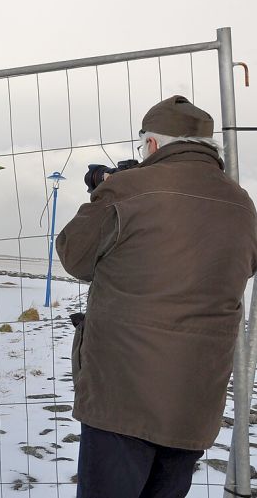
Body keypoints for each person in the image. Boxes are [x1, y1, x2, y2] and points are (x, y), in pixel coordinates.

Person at [56, 95, 257, 497]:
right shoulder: (242, 204)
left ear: (151, 144)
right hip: (195, 400)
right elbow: (240, 268)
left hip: (121, 398)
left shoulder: (129, 190)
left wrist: (107, 192)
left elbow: (75, 258)